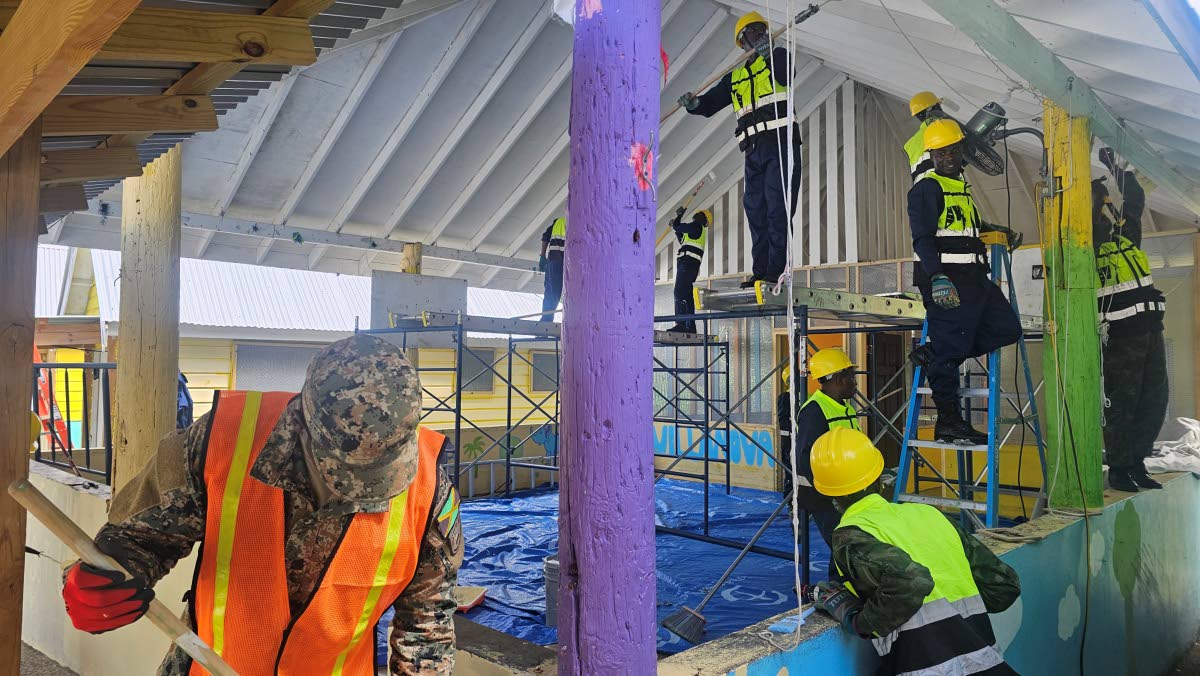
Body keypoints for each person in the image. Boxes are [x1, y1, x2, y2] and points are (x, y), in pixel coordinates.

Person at [60, 334, 463, 675]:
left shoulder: (430, 494)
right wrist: (109, 576)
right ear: (301, 425)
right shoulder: (219, 440)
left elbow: (426, 627)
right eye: (339, 472)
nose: (354, 493)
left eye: (375, 476)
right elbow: (142, 538)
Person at [809, 428, 1021, 676]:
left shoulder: (850, 534)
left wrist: (858, 620)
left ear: (828, 494)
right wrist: (956, 620)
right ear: (879, 478)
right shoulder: (929, 515)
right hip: (987, 665)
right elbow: (1004, 587)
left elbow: (913, 581)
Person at [907, 118, 1021, 445]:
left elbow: (966, 226)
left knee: (1007, 328)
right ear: (932, 154)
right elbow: (923, 239)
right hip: (948, 280)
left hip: (974, 276)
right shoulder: (927, 187)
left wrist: (997, 229)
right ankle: (949, 422)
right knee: (949, 352)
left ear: (961, 150)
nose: (948, 157)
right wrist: (937, 277)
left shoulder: (961, 187)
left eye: (953, 150)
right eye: (940, 153)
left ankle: (935, 353)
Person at [678, 11, 799, 289]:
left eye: (762, 29)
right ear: (743, 41)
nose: (760, 34)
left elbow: (786, 77)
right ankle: (760, 271)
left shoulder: (779, 57)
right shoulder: (735, 76)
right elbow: (709, 105)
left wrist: (769, 55)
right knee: (755, 209)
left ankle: (775, 272)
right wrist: (694, 105)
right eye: (754, 31)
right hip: (752, 150)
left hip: (780, 144)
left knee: (777, 210)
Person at [1094, 148, 1167, 492]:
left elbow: (1135, 199)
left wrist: (1115, 167)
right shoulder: (1085, 251)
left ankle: (1137, 461)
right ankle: (1120, 468)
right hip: (1120, 336)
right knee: (1122, 403)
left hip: (1150, 331)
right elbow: (1086, 218)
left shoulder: (1126, 237)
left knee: (1154, 401)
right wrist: (1092, 195)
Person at [780, 348, 859, 551]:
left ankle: (842, 581)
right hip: (823, 495)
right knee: (843, 545)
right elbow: (806, 461)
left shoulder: (847, 408)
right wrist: (833, 495)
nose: (855, 382)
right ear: (838, 379)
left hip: (847, 487)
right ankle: (839, 581)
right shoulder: (814, 411)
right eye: (851, 376)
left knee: (853, 543)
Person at [667, 208, 711, 333]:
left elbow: (678, 227)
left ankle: (681, 324)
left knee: (679, 292)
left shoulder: (697, 226)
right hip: (689, 266)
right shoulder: (695, 231)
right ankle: (690, 326)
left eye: (700, 213)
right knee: (686, 294)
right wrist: (675, 225)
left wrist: (679, 216)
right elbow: (682, 239)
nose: (696, 214)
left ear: (704, 220)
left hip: (687, 264)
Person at [903, 91, 948, 183]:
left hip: (921, 189)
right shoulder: (942, 129)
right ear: (931, 108)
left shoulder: (909, 145)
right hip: (941, 185)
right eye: (938, 105)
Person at [539, 215, 566, 319]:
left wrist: (542, 255)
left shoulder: (558, 221)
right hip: (565, 263)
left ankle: (546, 321)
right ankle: (546, 321)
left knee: (551, 293)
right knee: (554, 293)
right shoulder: (577, 221)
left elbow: (545, 237)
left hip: (553, 262)